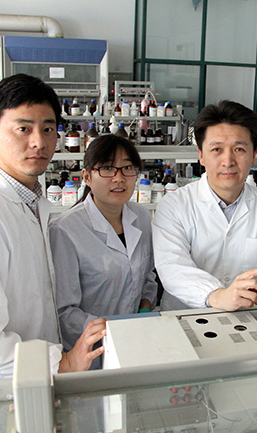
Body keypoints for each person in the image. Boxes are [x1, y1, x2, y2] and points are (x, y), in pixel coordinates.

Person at [0, 74, 106, 386]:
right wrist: (63, 362)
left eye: (48, 129)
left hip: (30, 383)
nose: (39, 142)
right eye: (23, 129)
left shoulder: (27, 201)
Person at [152, 100, 257, 315]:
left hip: (248, 317)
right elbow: (172, 267)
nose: (228, 161)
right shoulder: (174, 206)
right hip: (186, 317)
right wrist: (217, 295)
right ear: (201, 155)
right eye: (216, 149)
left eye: (239, 149)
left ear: (253, 155)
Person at [49, 135, 157, 364]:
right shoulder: (65, 230)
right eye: (107, 168)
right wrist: (110, 330)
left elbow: (147, 276)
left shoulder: (142, 217)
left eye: (127, 168)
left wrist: (145, 308)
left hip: (135, 340)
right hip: (88, 352)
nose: (119, 178)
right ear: (87, 177)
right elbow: (64, 310)